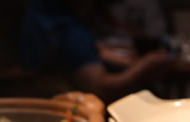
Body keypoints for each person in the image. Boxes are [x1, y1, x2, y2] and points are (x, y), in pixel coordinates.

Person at [20, 0, 175, 102]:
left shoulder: (40, 11)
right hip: (69, 107)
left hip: (36, 98)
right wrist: (145, 65)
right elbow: (101, 87)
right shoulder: (67, 29)